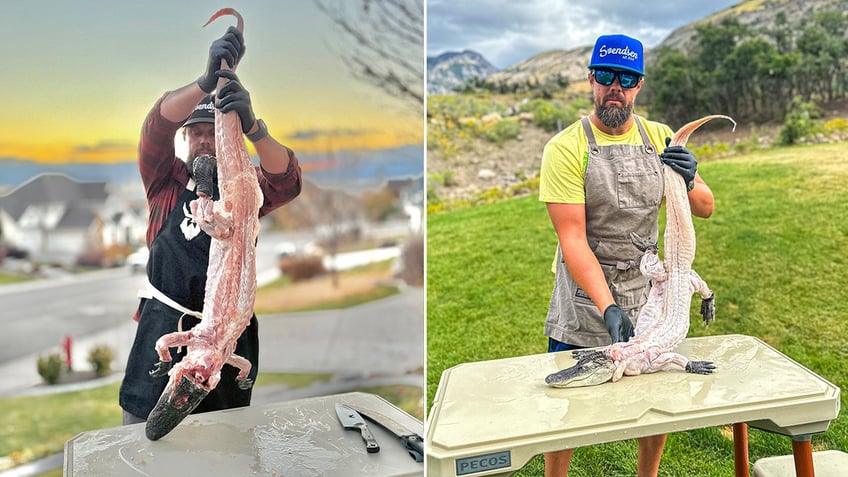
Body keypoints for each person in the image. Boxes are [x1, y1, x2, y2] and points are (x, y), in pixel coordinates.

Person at [538, 34, 714, 477]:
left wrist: (691, 179)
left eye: (627, 78)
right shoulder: (564, 148)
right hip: (583, 299)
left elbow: (706, 207)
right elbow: (573, 240)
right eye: (606, 76)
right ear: (591, 80)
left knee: (652, 405)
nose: (615, 87)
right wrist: (608, 307)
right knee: (568, 408)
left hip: (648, 294)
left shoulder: (660, 137)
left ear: (639, 85)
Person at [119, 25, 302, 424]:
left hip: (229, 338)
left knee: (226, 439)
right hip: (165, 326)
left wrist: (255, 129)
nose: (204, 141)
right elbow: (155, 130)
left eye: (211, 133)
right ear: (186, 140)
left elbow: (287, 182)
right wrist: (204, 84)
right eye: (196, 134)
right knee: (142, 436)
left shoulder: (245, 196)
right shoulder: (164, 183)